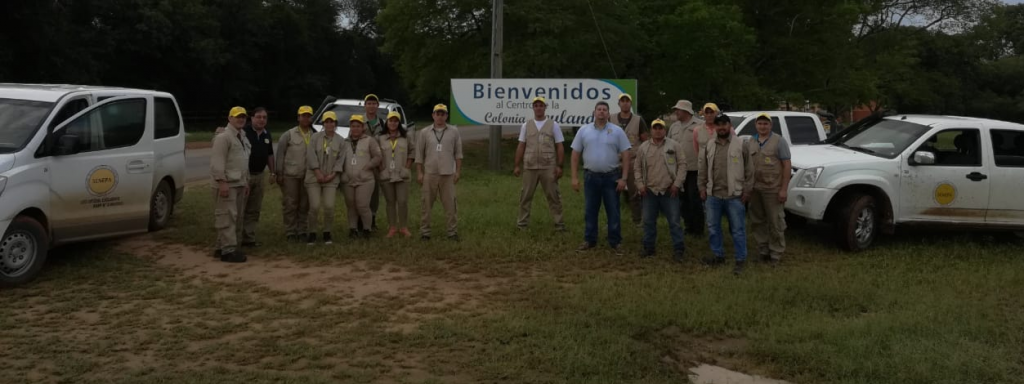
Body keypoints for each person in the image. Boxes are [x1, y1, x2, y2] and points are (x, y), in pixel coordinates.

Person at [570, 101, 632, 255]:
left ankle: (615, 241)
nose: (602, 112)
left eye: (605, 110)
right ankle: (589, 239)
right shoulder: (584, 130)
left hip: (611, 178)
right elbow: (575, 155)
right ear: (594, 112)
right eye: (599, 109)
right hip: (591, 177)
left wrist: (624, 178)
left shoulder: (617, 131)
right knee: (590, 210)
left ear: (608, 113)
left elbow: (626, 155)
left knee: (613, 210)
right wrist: (574, 177)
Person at [698, 114, 754, 275]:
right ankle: (718, 255)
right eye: (718, 125)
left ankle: (740, 259)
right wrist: (702, 188)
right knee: (713, 228)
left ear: (729, 125)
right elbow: (703, 169)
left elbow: (750, 170)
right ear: (715, 127)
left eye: (724, 124)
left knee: (737, 229)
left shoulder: (741, 144)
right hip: (713, 195)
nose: (721, 127)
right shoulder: (709, 145)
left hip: (734, 196)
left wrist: (747, 190)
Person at [634, 119, 687, 261]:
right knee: (648, 221)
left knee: (675, 221)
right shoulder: (643, 148)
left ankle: (679, 249)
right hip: (649, 190)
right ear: (651, 131)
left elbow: (682, 165)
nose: (658, 131)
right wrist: (640, 185)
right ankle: (649, 248)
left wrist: (677, 184)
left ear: (665, 130)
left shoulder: (674, 146)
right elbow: (637, 168)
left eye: (661, 128)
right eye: (655, 128)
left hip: (669, 191)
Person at [513, 96, 566, 231]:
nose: (538, 108)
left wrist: (559, 166)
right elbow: (521, 145)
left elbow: (560, 146)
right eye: (536, 105)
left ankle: (559, 224)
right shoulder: (526, 125)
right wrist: (517, 165)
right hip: (530, 166)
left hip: (548, 166)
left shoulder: (553, 125)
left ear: (545, 107)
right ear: (533, 108)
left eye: (541, 105)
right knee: (525, 195)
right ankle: (522, 224)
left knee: (553, 195)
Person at [746, 113, 792, 265]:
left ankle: (776, 253)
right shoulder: (751, 141)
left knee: (775, 222)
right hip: (755, 189)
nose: (762, 126)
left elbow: (786, 165)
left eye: (766, 124)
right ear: (756, 125)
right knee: (757, 221)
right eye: (760, 123)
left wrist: (783, 189)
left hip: (772, 189)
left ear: (770, 126)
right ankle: (763, 250)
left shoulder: (779, 141)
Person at [415, 104, 463, 241]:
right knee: (426, 204)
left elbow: (458, 154)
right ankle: (425, 232)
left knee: (450, 205)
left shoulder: (454, 132)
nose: (440, 116)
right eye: (438, 113)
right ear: (433, 115)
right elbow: (419, 154)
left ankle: (452, 232)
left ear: (446, 116)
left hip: (448, 173)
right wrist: (419, 172)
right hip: (430, 173)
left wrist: (458, 172)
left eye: (443, 114)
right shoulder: (424, 132)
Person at [210, 107, 252, 263]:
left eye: (243, 117)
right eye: (237, 117)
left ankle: (221, 247)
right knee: (227, 216)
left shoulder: (242, 136)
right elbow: (217, 161)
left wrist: (245, 181)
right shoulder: (223, 137)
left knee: (234, 216)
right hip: (227, 183)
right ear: (229, 119)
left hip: (239, 182)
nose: (241, 119)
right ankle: (228, 251)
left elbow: (243, 162)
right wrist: (222, 182)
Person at [305, 111, 347, 245]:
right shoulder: (315, 137)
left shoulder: (341, 140)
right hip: (314, 177)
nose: (329, 124)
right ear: (323, 123)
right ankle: (312, 233)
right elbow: (311, 156)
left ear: (335, 124)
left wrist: (332, 175)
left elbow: (341, 160)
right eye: (327, 121)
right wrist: (317, 173)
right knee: (315, 206)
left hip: (331, 178)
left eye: (332, 121)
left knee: (329, 206)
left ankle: (327, 232)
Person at [276, 106, 317, 241]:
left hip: (308, 176)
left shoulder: (315, 135)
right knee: (290, 204)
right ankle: (290, 231)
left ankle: (302, 230)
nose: (306, 118)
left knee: (305, 204)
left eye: (308, 116)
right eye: (303, 116)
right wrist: (279, 173)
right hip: (291, 175)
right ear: (298, 117)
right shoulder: (288, 135)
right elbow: (280, 154)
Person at [667, 100, 704, 235]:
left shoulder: (700, 125)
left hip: (694, 169)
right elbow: (668, 144)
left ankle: (698, 229)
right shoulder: (674, 127)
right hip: (678, 170)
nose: (676, 112)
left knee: (695, 199)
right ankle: (688, 227)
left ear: (687, 111)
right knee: (682, 200)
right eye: (676, 109)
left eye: (679, 110)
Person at [342, 114, 382, 239]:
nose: (356, 128)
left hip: (365, 179)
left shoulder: (369, 140)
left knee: (362, 205)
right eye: (353, 126)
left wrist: (368, 166)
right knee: (351, 205)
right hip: (348, 179)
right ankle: (353, 229)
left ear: (363, 127)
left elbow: (378, 156)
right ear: (350, 127)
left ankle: (367, 229)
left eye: (358, 126)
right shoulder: (345, 142)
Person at [240, 107, 275, 247]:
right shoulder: (243, 132)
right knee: (240, 207)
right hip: (245, 176)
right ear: (252, 118)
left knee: (254, 209)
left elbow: (270, 154)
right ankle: (235, 238)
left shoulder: (267, 134)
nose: (261, 120)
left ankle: (249, 238)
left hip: (260, 176)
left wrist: (273, 172)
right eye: (258, 117)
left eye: (264, 117)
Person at [378, 111, 414, 238]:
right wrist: (382, 169)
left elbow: (412, 152)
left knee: (403, 201)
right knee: (390, 202)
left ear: (399, 123)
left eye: (395, 121)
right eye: (390, 121)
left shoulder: (406, 137)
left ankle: (403, 227)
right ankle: (392, 227)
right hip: (386, 174)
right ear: (386, 122)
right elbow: (377, 155)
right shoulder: (380, 138)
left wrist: (407, 167)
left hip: (402, 174)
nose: (393, 123)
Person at [613, 93, 648, 226]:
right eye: (622, 101)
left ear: (631, 104)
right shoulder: (611, 119)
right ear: (619, 104)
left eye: (627, 101)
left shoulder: (638, 120)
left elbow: (645, 141)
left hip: (633, 161)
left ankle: (637, 220)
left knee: (635, 193)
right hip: (615, 161)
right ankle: (613, 220)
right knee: (613, 193)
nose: (625, 103)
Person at [362, 94, 385, 232]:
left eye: (374, 103)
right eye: (369, 103)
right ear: (365, 105)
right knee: (361, 192)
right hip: (361, 163)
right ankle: (360, 220)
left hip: (377, 163)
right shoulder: (358, 121)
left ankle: (373, 219)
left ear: (377, 106)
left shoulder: (382, 123)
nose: (371, 106)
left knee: (375, 193)